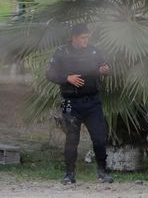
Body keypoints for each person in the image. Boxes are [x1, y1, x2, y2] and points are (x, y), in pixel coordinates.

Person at [46, 23, 113, 184]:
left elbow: (106, 68)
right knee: (71, 139)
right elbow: (49, 74)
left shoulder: (94, 51)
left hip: (93, 101)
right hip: (69, 102)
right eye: (83, 37)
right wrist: (67, 78)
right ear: (73, 38)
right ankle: (69, 174)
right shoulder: (61, 52)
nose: (86, 40)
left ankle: (102, 173)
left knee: (99, 138)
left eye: (87, 37)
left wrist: (105, 70)